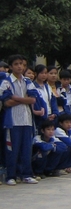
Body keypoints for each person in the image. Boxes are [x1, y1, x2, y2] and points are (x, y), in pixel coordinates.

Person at [0, 54, 42, 185]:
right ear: (11, 66)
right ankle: (11, 175)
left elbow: (33, 99)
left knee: (26, 149)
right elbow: (6, 102)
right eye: (17, 64)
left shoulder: (27, 81)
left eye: (22, 64)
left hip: (27, 120)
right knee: (12, 149)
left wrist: (15, 97)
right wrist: (24, 99)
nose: (20, 67)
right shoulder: (6, 82)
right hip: (12, 121)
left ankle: (27, 174)